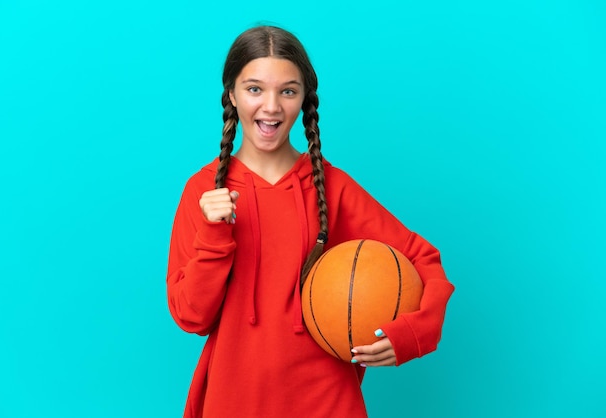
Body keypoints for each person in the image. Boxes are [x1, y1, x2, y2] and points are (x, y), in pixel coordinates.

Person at [166, 25, 454, 418]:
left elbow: (423, 258)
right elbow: (190, 316)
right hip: (233, 397)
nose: (271, 107)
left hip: (327, 399)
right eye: (254, 89)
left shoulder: (330, 187)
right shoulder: (202, 191)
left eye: (288, 91)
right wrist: (216, 233)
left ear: (304, 100)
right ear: (231, 93)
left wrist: (413, 334)